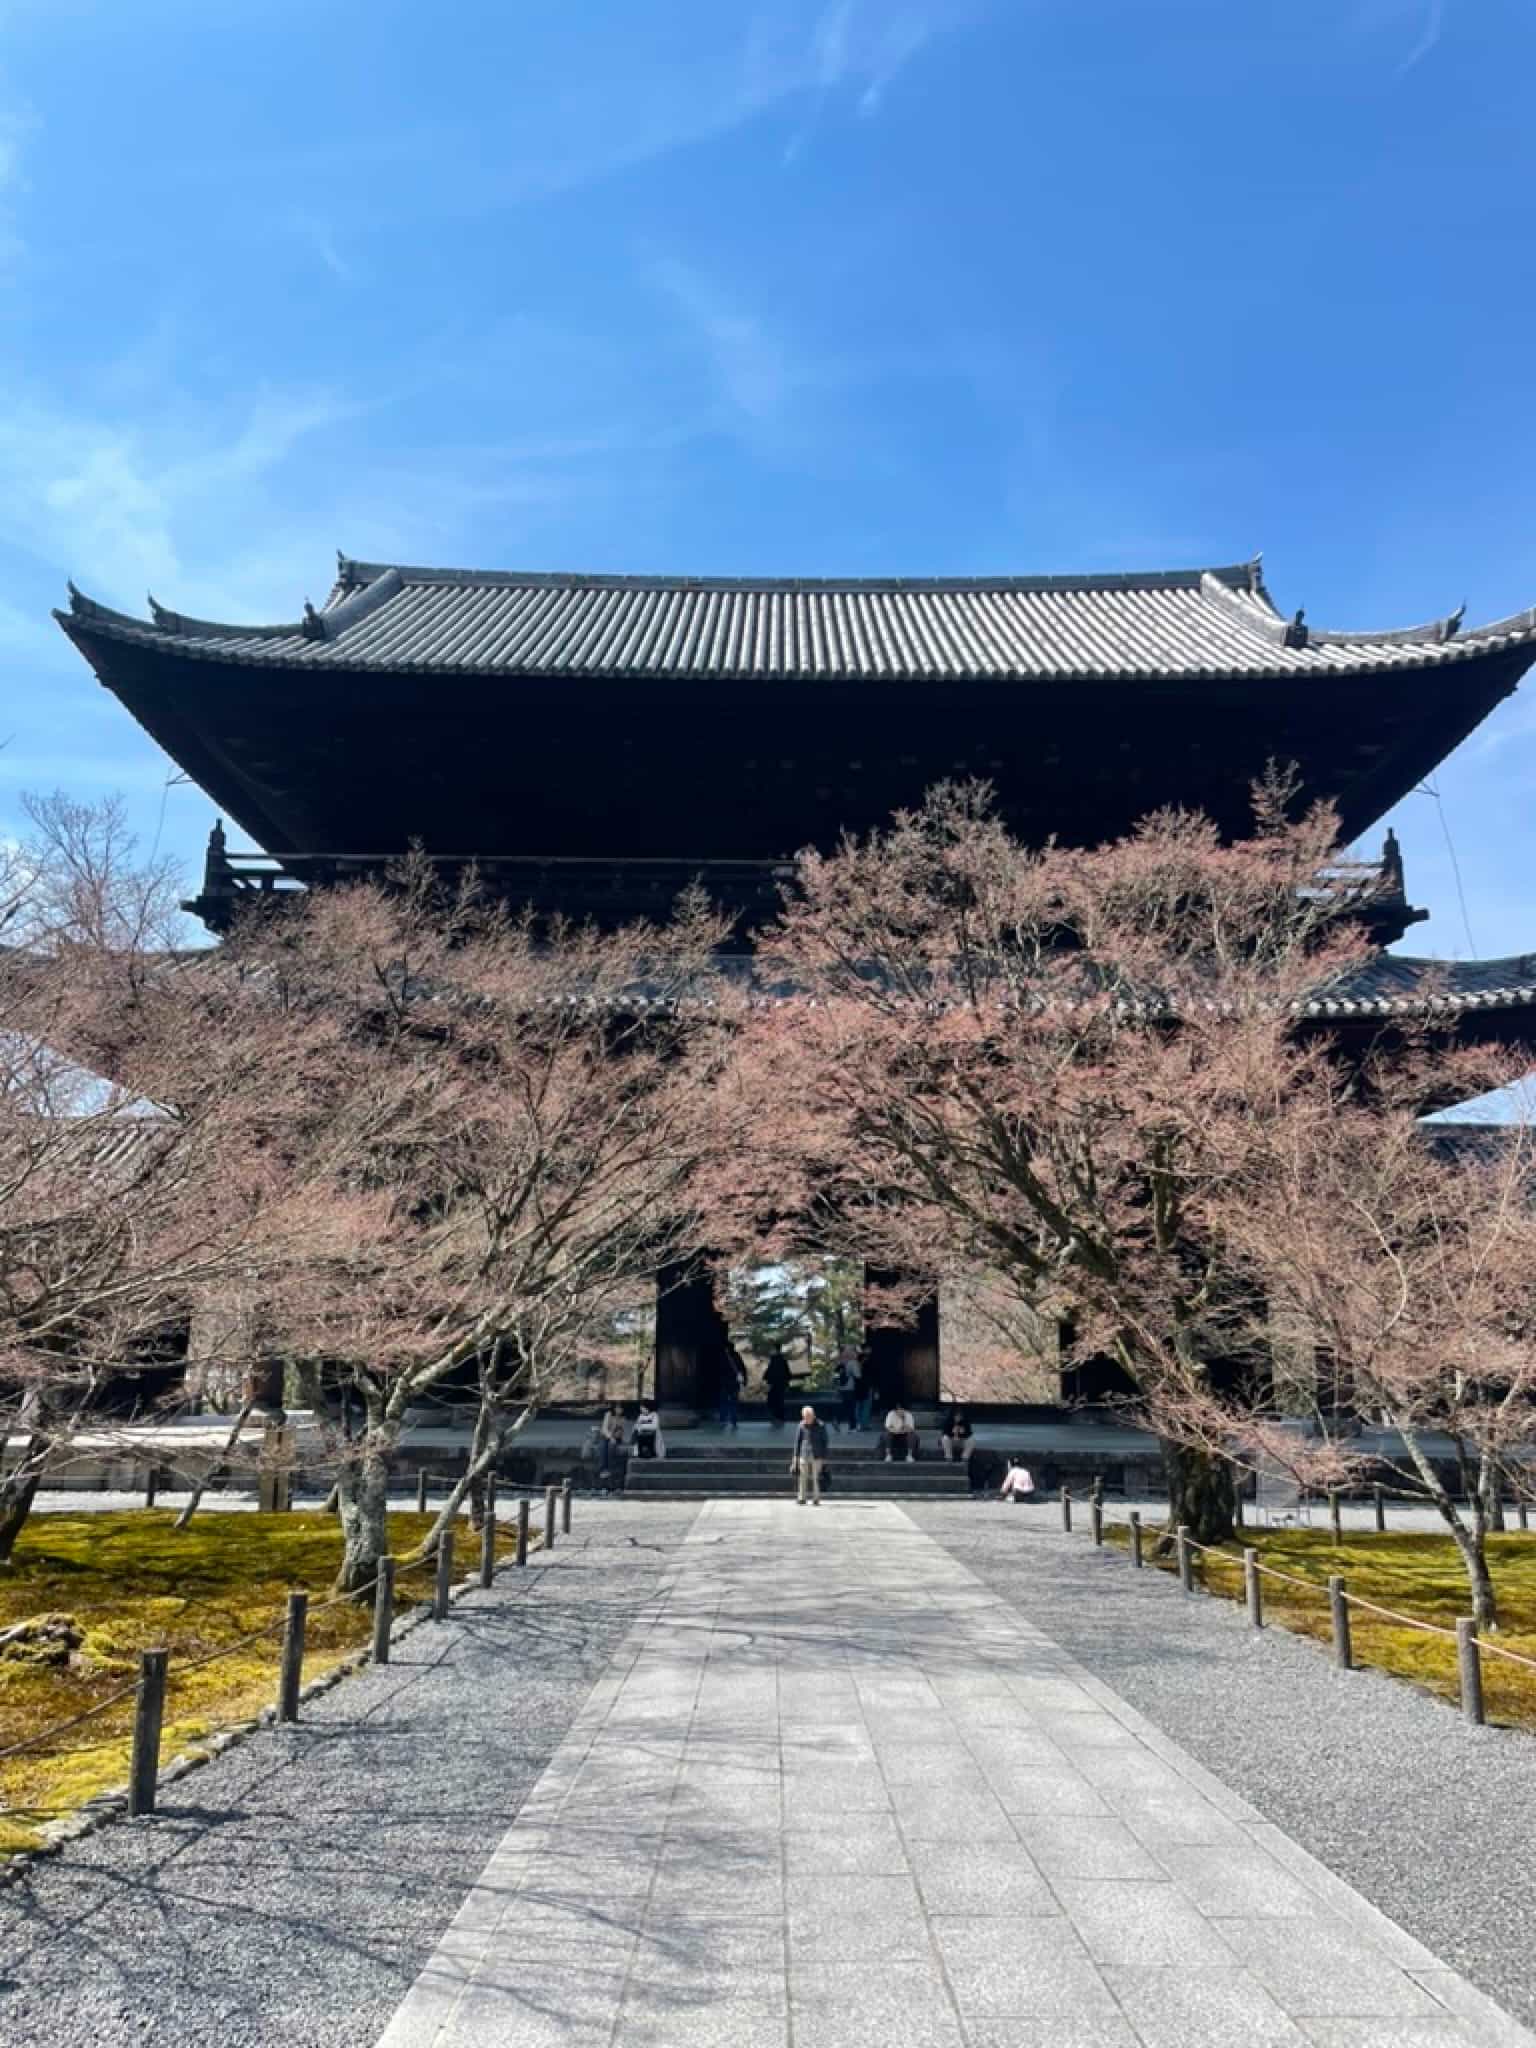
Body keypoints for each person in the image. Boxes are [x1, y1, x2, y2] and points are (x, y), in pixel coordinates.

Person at [789, 1404, 829, 1506]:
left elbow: (825, 1442)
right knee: (802, 1477)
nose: (806, 1419)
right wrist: (795, 1458)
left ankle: (816, 1498)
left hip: (817, 1455)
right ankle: (802, 1498)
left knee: (816, 1478)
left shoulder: (820, 1425)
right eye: (804, 1417)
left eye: (808, 1417)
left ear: (813, 1415)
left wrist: (824, 1458)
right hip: (804, 1454)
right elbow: (797, 1442)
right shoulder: (801, 1425)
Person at [763, 1346, 803, 1426]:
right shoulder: (782, 1360)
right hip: (781, 1384)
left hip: (775, 1384)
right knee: (779, 1400)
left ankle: (776, 1416)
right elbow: (787, 1373)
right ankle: (780, 1417)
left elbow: (770, 1371)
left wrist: (766, 1378)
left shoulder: (774, 1360)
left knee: (773, 1400)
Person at [717, 1343, 747, 1432]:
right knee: (734, 1402)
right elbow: (742, 1368)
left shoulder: (723, 1357)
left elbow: (719, 1370)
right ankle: (734, 1420)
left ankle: (723, 1419)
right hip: (735, 1383)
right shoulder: (737, 1356)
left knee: (723, 1401)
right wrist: (744, 1381)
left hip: (725, 1383)